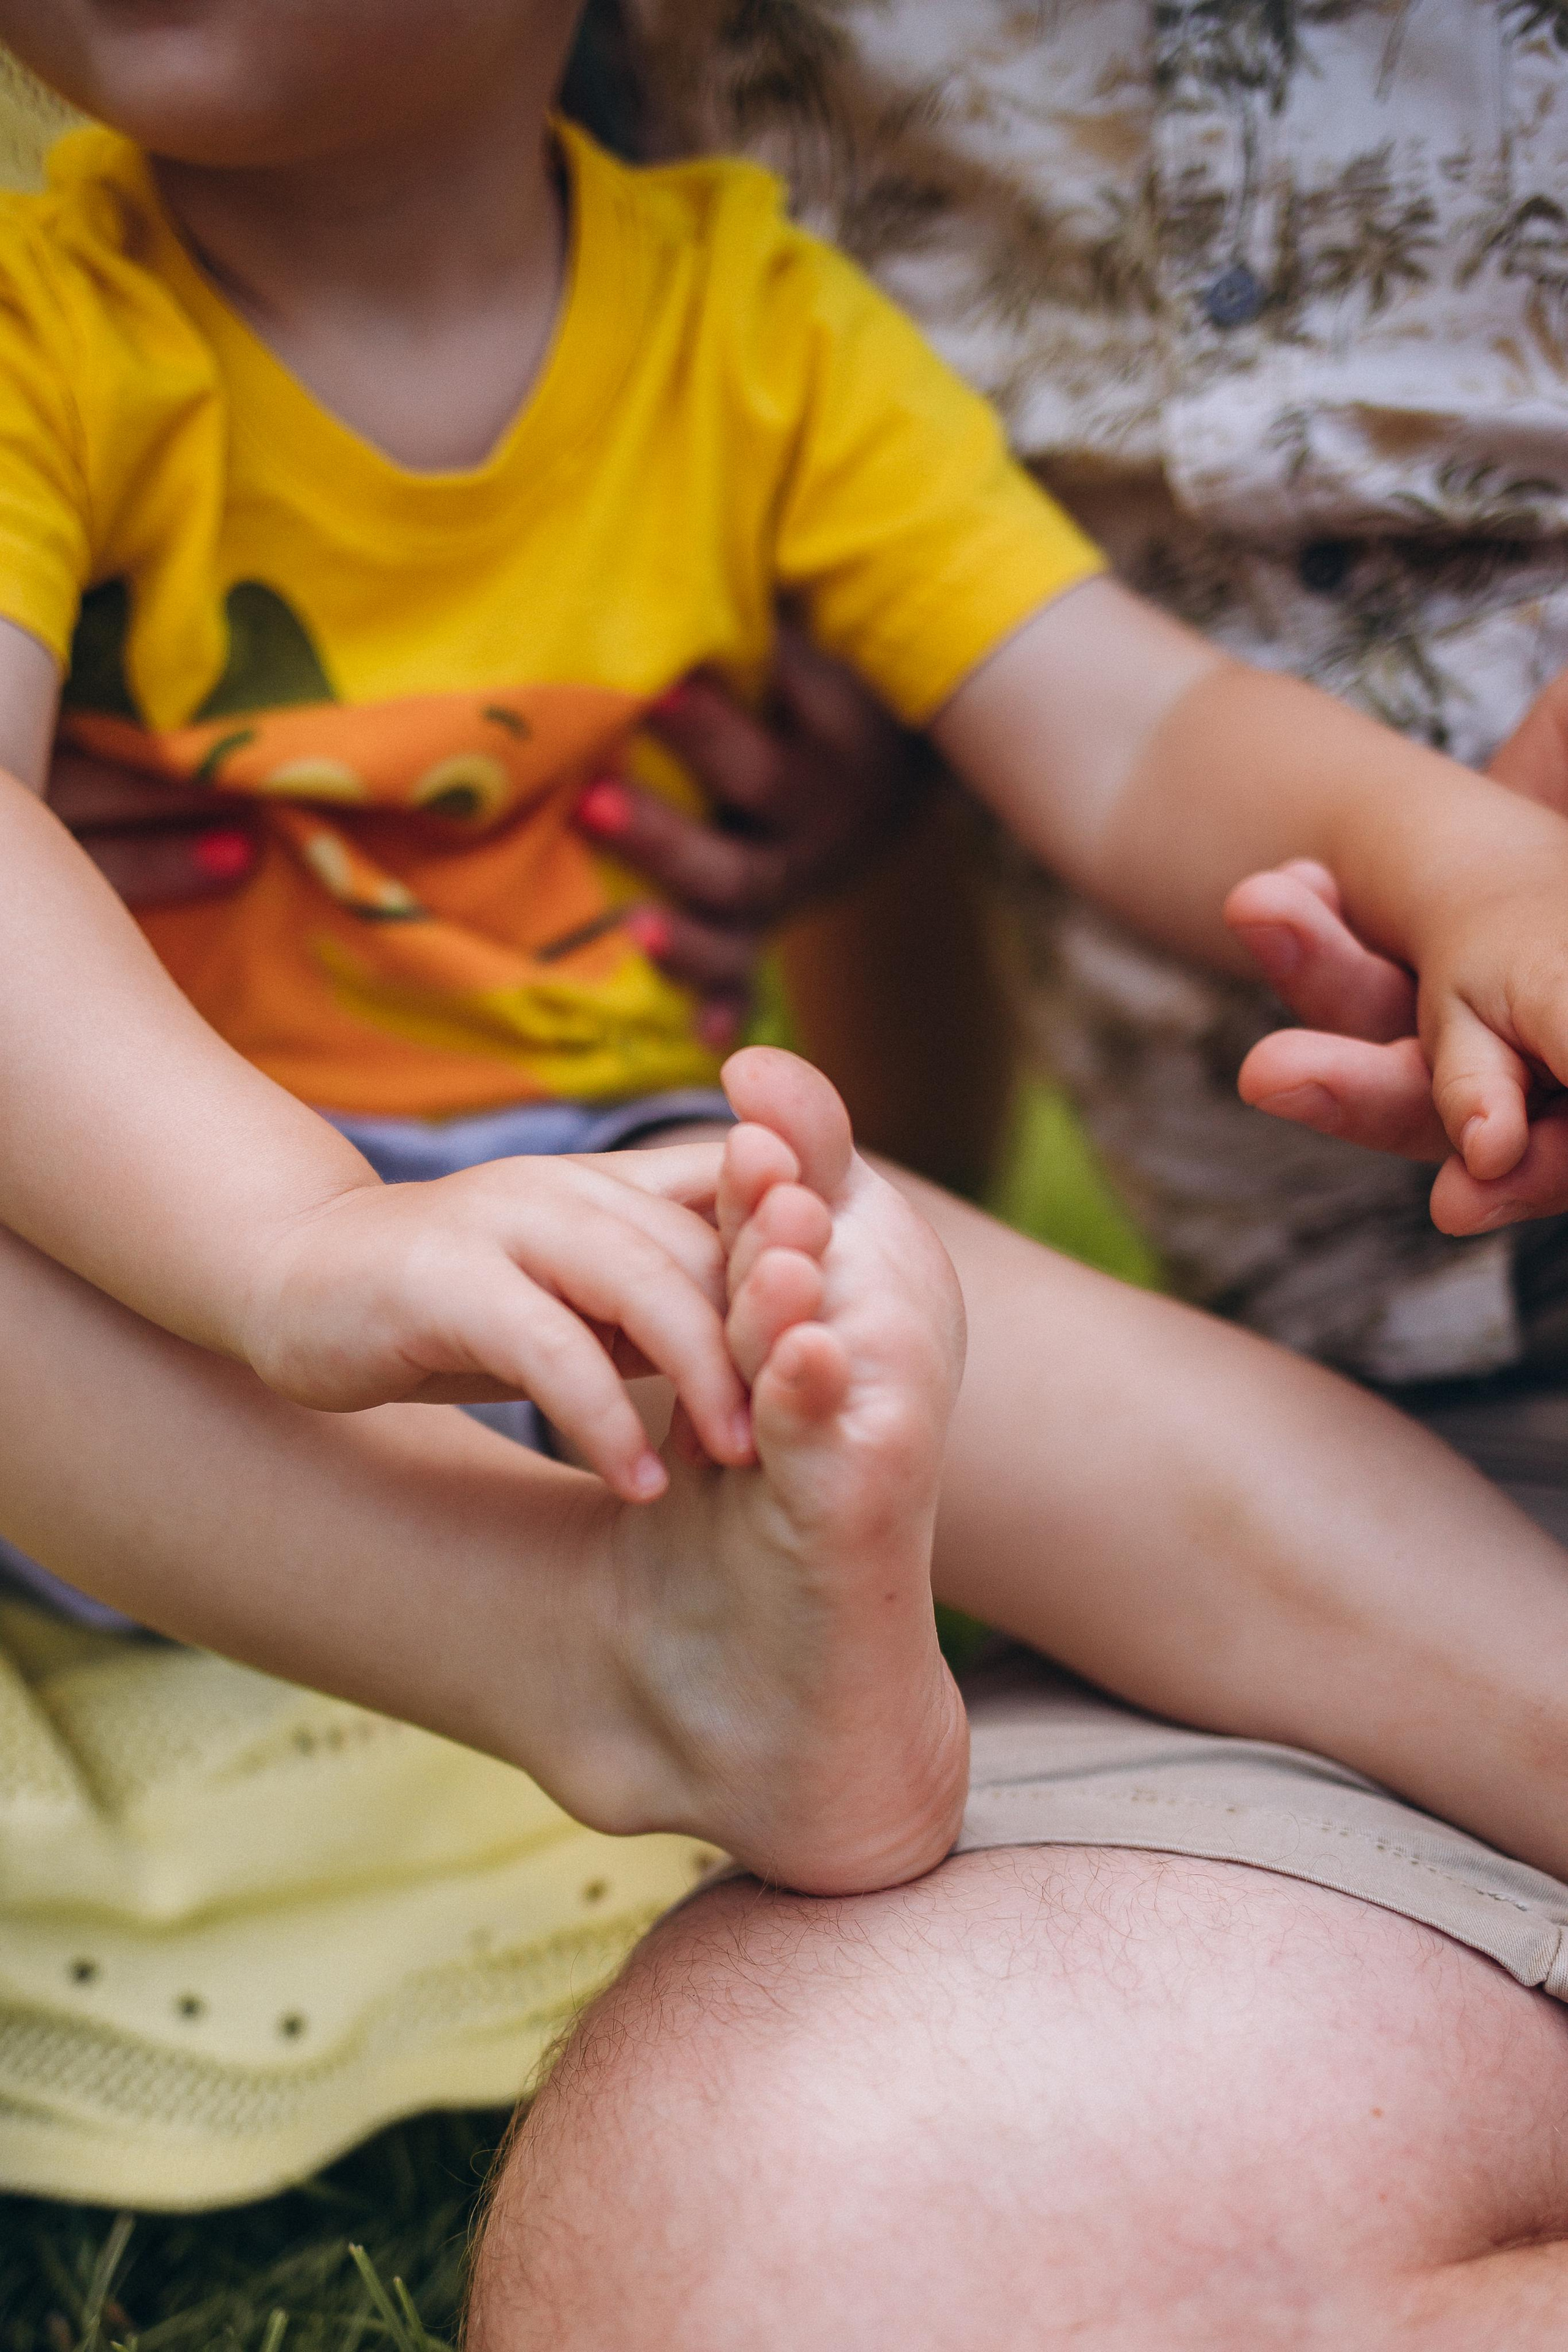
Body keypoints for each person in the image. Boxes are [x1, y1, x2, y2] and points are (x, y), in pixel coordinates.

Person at [7, 4, 1568, 2323]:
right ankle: (618, 1656)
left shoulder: (750, 317)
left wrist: (1460, 865)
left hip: (604, 1201)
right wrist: (292, 1234)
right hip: (124, 1301)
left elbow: (1123, 721)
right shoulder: (44, 324)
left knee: (905, 1294)